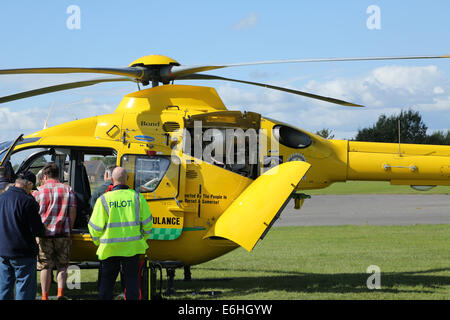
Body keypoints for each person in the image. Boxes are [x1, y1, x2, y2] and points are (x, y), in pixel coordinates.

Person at [88, 167, 153, 300]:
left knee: (106, 286)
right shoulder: (137, 197)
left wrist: (98, 242)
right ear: (127, 179)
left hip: (109, 249)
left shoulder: (103, 200)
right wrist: (142, 239)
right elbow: (148, 224)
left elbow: (94, 227)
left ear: (112, 180)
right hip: (132, 249)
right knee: (132, 284)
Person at [33, 162, 77, 300]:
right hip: (63, 233)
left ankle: (45, 296)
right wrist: (70, 227)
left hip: (44, 234)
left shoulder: (38, 192)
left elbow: (33, 213)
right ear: (58, 174)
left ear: (45, 175)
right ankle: (60, 294)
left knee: (45, 266)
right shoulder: (67, 189)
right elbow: (72, 210)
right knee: (62, 266)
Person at [0, 171, 44, 300]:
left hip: (3, 250)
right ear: (28, 184)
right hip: (23, 251)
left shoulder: (1, 198)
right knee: (24, 289)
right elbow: (37, 230)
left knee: (4, 288)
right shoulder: (28, 201)